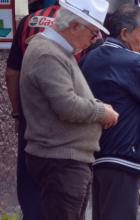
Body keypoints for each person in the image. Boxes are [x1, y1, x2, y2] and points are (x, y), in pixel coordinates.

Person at [19, 0, 119, 219]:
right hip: (60, 160)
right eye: (93, 34)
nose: (96, 40)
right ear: (75, 26)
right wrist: (101, 111)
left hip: (66, 160)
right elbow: (67, 105)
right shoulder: (48, 53)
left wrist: (97, 107)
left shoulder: (57, 50)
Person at [80, 4, 140, 219]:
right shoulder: (133, 61)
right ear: (125, 33)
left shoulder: (90, 57)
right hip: (125, 156)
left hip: (97, 153)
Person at [5, 3, 59, 220]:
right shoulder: (81, 23)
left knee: (30, 182)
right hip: (68, 119)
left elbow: (11, 74)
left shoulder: (28, 22)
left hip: (31, 116)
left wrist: (17, 113)